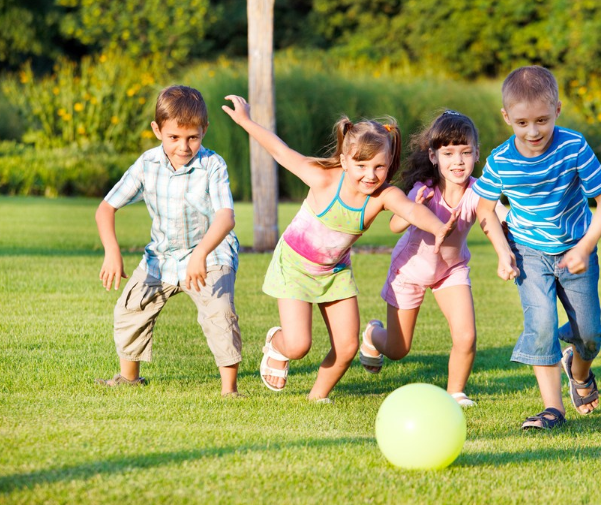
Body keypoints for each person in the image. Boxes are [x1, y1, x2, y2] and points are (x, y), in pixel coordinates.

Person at [222, 95, 458, 402]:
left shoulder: (382, 196)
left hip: (334, 272)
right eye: (361, 165)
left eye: (379, 167)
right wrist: (245, 121)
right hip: (294, 266)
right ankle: (278, 345)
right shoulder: (322, 178)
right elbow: (281, 151)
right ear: (345, 160)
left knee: (347, 347)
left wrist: (439, 228)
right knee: (298, 345)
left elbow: (411, 210)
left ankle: (316, 397)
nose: (370, 175)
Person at [474, 66, 601, 429]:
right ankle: (553, 408)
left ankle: (579, 370)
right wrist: (503, 251)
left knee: (589, 333)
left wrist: (585, 247)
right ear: (507, 117)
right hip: (528, 253)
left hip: (574, 251)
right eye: (522, 123)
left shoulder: (573, 147)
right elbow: (484, 208)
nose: (533, 131)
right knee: (540, 324)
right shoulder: (501, 160)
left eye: (542, 119)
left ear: (557, 109)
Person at [95, 85, 243, 397]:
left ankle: (229, 390)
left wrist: (202, 252)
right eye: (174, 137)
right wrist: (112, 251)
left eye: (193, 137)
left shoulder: (212, 166)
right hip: (161, 257)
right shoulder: (147, 164)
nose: (184, 146)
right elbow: (106, 208)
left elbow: (226, 217)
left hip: (210, 254)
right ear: (157, 130)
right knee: (131, 307)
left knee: (219, 312)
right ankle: (128, 378)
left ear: (204, 130)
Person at [359, 110, 508, 407]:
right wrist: (412, 207)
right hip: (409, 271)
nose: (458, 161)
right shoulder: (423, 190)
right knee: (398, 349)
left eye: (466, 152)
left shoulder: (478, 191)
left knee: (466, 336)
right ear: (433, 156)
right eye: (449, 153)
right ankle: (373, 334)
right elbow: (395, 225)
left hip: (450, 271)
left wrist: (513, 237)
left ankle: (456, 393)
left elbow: (497, 216)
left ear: (477, 154)